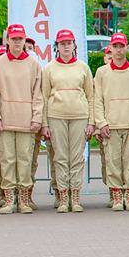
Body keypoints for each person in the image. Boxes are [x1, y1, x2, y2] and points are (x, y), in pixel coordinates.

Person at [41, 29, 93, 213]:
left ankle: (75, 197)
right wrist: (44, 124)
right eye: (62, 43)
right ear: (57, 46)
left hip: (80, 115)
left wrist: (91, 122)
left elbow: (91, 96)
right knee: (61, 157)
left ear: (74, 45)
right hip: (56, 116)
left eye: (68, 43)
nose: (66, 46)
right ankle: (63, 197)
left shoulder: (83, 67)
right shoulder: (49, 68)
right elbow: (44, 97)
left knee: (77, 158)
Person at [92, 33, 129, 211]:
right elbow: (97, 99)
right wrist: (101, 123)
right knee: (113, 162)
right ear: (110, 48)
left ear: (127, 47)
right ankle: (116, 197)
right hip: (111, 124)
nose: (118, 50)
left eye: (121, 46)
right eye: (115, 46)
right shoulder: (102, 72)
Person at [0, 24, 44, 215]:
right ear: (7, 40)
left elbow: (38, 93)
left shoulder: (33, 64)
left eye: (20, 39)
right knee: (7, 159)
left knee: (25, 159)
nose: (17, 43)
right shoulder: (0, 62)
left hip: (26, 120)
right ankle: (9, 200)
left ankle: (24, 200)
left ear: (25, 41)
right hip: (6, 119)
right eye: (14, 39)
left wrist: (37, 117)